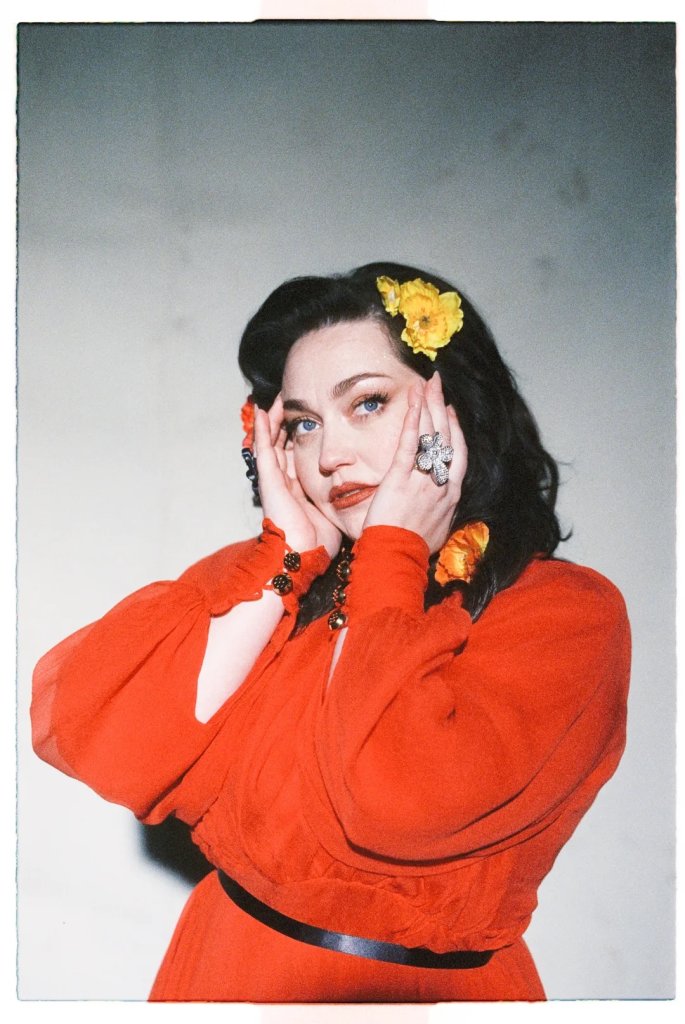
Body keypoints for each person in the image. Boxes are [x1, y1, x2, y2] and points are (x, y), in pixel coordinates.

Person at [31, 262, 630, 1002]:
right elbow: (110, 742)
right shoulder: (281, 579)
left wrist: (391, 555)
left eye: (368, 404)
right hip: (224, 969)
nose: (329, 455)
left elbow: (388, 800)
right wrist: (285, 552)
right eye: (303, 423)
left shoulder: (564, 611)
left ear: (458, 410)